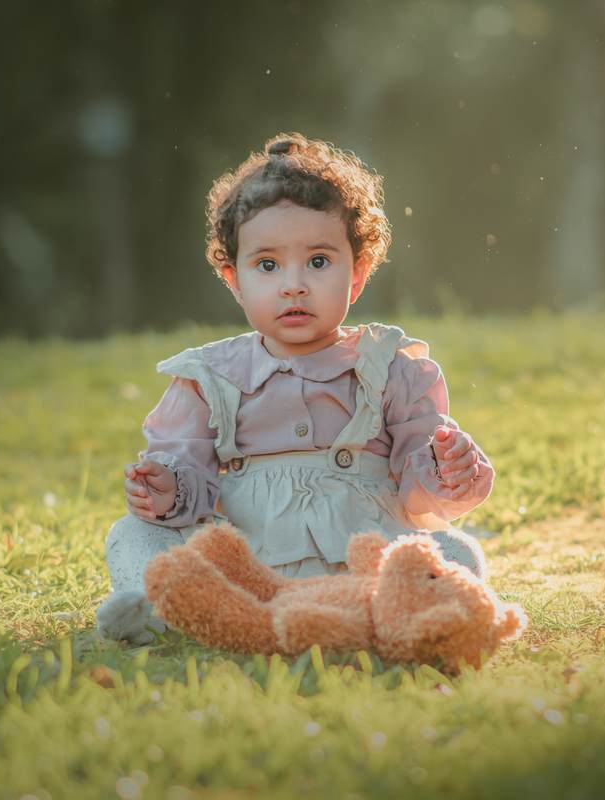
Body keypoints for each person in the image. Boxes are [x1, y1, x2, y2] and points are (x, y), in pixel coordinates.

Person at [96, 134, 495, 644]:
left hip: (361, 556)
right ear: (233, 279)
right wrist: (168, 488)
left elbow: (421, 471)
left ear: (358, 275)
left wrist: (448, 466)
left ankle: (399, 616)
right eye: (267, 265)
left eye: (319, 261)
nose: (294, 284)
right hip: (245, 565)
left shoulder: (390, 367)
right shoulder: (209, 377)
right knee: (132, 534)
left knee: (458, 553)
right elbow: (187, 471)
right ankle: (162, 612)